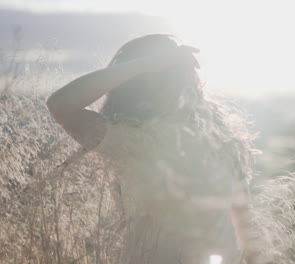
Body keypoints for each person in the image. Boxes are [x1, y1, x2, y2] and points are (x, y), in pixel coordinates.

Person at [47, 34, 261, 264]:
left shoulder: (219, 137)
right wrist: (149, 63)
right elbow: (60, 105)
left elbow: (245, 228)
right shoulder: (128, 139)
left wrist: (146, 64)